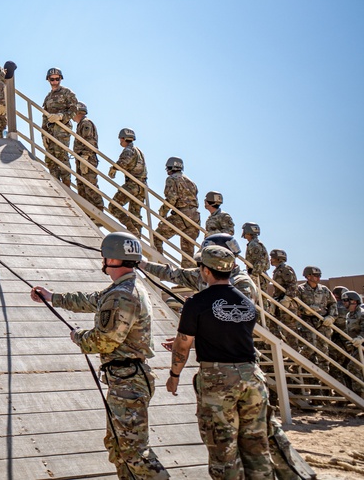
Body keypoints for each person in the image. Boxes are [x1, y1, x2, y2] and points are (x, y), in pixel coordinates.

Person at [33, 232, 168, 480]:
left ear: (112, 259)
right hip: (125, 378)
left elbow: (105, 340)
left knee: (133, 452)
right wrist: (53, 298)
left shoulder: (123, 294)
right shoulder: (123, 289)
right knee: (119, 446)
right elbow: (95, 300)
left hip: (128, 381)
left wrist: (79, 337)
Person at [166, 245, 272, 480]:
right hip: (252, 377)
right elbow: (228, 334)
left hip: (218, 381)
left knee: (223, 450)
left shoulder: (196, 303)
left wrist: (174, 376)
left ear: (205, 271)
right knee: (257, 447)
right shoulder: (247, 303)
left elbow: (183, 344)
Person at [153, 157, 200, 264]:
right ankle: (188, 278)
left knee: (156, 237)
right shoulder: (191, 182)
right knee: (187, 254)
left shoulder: (172, 179)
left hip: (181, 215)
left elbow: (171, 199)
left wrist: (162, 213)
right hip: (195, 217)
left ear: (170, 168)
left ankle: (159, 265)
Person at [41, 67, 79, 186]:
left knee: (61, 156)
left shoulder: (67, 93)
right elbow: (44, 116)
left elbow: (74, 110)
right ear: (48, 80)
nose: (55, 82)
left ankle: (66, 185)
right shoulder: (48, 97)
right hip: (50, 131)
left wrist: (61, 116)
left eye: (57, 79)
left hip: (62, 130)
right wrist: (44, 134)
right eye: (52, 79)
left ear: (60, 79)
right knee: (50, 159)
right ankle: (55, 184)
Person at [109, 128, 147, 237]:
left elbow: (123, 163)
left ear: (123, 138)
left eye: (120, 139)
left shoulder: (129, 150)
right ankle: (137, 236)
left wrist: (113, 169)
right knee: (135, 215)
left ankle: (130, 227)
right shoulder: (139, 151)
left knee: (113, 206)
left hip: (133, 185)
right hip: (142, 187)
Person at [294, 266, 337, 362]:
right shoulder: (300, 289)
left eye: (319, 275)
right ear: (308, 276)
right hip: (307, 322)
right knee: (310, 347)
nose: (319, 277)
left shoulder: (324, 289)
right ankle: (296, 364)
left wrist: (331, 317)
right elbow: (294, 305)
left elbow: (333, 303)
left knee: (324, 352)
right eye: (316, 275)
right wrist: (306, 310)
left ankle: (324, 375)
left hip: (323, 323)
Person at [72, 102, 104, 211]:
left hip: (87, 158)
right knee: (82, 187)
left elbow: (89, 141)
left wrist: (85, 158)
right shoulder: (81, 124)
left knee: (89, 186)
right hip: (81, 159)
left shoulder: (86, 123)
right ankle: (88, 212)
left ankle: (98, 210)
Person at [241, 222, 269, 292]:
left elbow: (260, 261)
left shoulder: (254, 244)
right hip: (258, 275)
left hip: (259, 277)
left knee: (260, 300)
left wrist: (253, 276)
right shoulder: (254, 243)